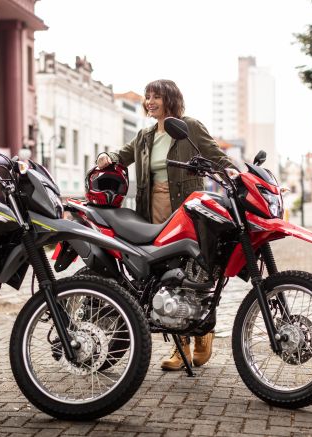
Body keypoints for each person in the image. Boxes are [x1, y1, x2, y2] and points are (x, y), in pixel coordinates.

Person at [96, 79, 234, 371]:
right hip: (152, 209)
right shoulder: (145, 136)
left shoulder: (189, 127)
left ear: (170, 98)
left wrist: (234, 172)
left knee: (190, 272)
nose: (150, 101)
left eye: (155, 96)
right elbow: (123, 155)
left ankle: (202, 334)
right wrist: (106, 157)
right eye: (147, 97)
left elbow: (214, 155)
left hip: (184, 208)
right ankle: (179, 345)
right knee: (164, 276)